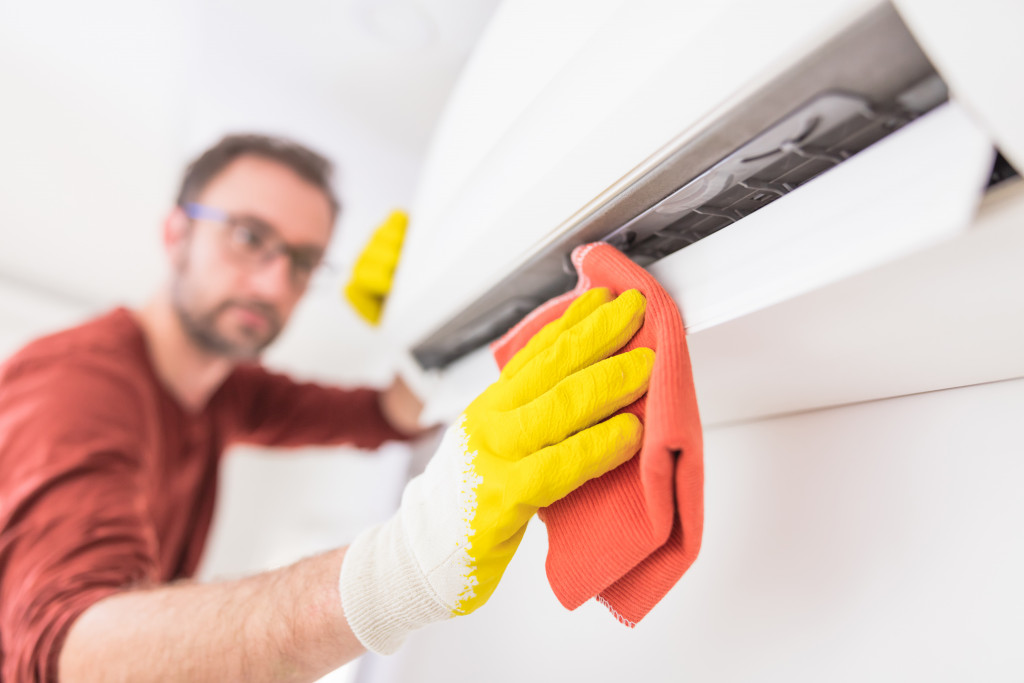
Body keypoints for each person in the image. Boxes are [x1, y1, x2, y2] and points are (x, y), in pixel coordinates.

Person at [0, 134, 654, 682]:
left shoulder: (225, 390)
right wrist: (404, 567)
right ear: (176, 233)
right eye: (249, 236)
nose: (275, 282)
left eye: (304, 260)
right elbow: (71, 651)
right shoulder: (80, 386)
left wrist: (418, 327)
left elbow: (387, 415)